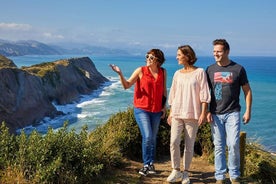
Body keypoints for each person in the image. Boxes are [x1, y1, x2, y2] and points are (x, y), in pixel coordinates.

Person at [109, 49, 167, 176]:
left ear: (157, 60)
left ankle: (151, 164)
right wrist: (120, 74)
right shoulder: (141, 70)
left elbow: (164, 92)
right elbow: (127, 85)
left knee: (152, 138)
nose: (147, 59)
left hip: (157, 111)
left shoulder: (163, 72)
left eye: (151, 57)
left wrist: (164, 107)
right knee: (147, 136)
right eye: (147, 56)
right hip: (142, 110)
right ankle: (146, 165)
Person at [206, 39, 253, 184]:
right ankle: (220, 176)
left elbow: (247, 91)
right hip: (215, 113)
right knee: (218, 146)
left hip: (232, 112)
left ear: (227, 51)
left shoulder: (238, 69)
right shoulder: (210, 70)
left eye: (219, 51)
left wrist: (248, 111)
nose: (216, 54)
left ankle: (234, 175)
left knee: (233, 144)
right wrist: (206, 111)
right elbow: (205, 93)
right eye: (214, 51)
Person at [166, 45, 211, 184]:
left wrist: (203, 113)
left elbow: (204, 94)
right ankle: (176, 170)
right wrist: (171, 113)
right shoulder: (177, 73)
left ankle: (185, 173)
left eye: (179, 55)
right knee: (174, 142)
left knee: (189, 145)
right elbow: (173, 95)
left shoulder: (200, 72)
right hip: (177, 113)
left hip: (193, 114)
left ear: (187, 56)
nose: (177, 57)